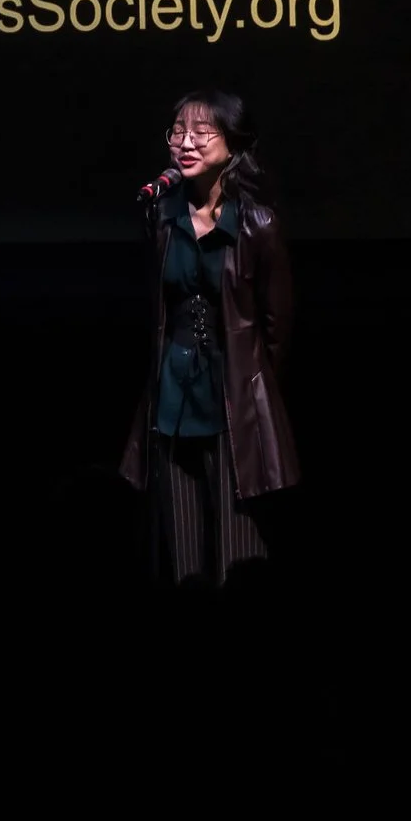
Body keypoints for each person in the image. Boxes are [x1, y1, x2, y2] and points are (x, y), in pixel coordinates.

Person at [121, 89, 299, 587]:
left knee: (236, 555)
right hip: (172, 395)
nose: (186, 143)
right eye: (178, 132)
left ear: (233, 143)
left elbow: (276, 325)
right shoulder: (162, 217)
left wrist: (253, 388)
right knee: (181, 556)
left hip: (233, 399)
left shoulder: (258, 224)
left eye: (202, 132)